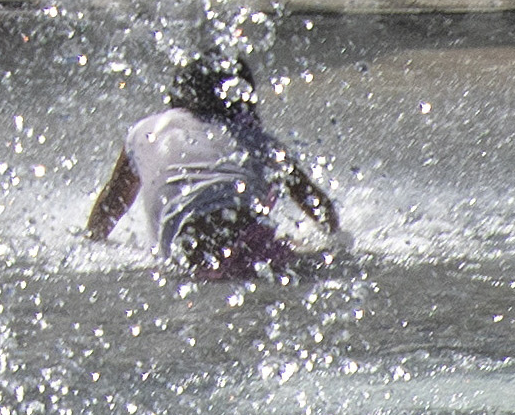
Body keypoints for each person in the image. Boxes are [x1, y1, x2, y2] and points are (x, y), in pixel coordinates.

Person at [82, 57, 347, 277]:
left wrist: (91, 240)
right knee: (291, 249)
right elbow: (319, 206)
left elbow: (112, 203)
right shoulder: (260, 142)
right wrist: (334, 237)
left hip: (188, 249)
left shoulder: (145, 131)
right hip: (250, 241)